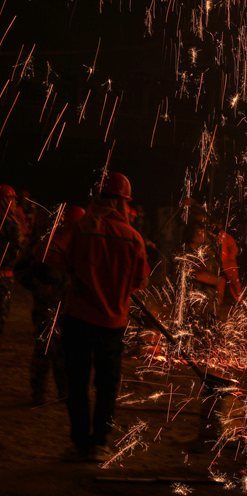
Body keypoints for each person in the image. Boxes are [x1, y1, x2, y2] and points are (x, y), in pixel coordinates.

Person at [46, 172, 150, 463]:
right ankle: (100, 444)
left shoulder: (81, 228)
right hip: (112, 323)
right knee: (107, 385)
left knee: (77, 383)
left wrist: (73, 270)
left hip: (78, 317)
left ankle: (80, 443)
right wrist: (116, 284)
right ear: (123, 202)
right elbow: (140, 281)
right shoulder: (134, 238)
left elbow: (50, 251)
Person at [26, 205, 85, 406]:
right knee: (44, 348)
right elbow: (21, 269)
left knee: (66, 350)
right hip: (47, 305)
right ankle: (38, 392)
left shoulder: (81, 245)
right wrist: (39, 287)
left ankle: (64, 391)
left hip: (69, 306)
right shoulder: (46, 243)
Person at [0, 184, 26, 346]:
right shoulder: (10, 223)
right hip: (3, 277)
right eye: (12, 200)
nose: (15, 204)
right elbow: (24, 247)